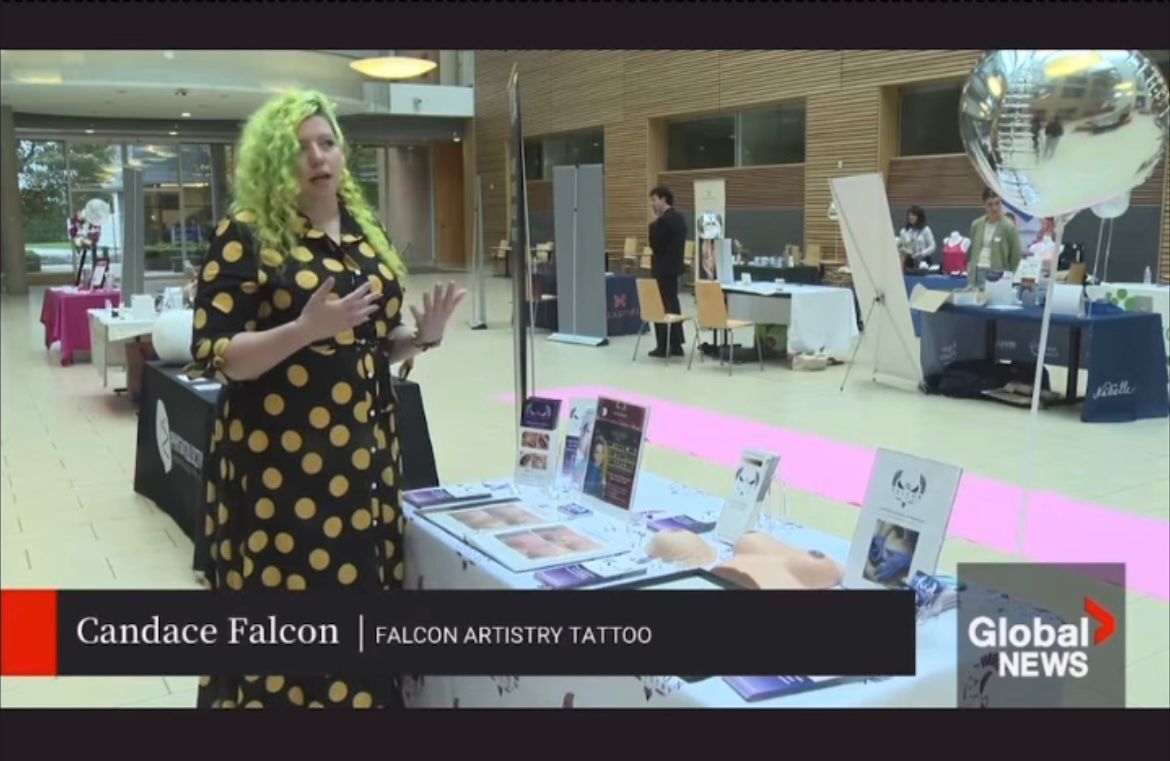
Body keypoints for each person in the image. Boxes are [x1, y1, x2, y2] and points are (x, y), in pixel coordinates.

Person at [187, 90, 465, 710]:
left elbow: (369, 344)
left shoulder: (365, 232)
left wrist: (421, 338)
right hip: (281, 465)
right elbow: (220, 355)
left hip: (366, 456)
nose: (317, 157)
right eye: (299, 149)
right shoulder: (245, 235)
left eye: (327, 143)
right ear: (273, 161)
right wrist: (304, 329)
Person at [647, 186, 687, 358]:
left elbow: (655, 244)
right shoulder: (680, 219)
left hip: (662, 269)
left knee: (661, 306)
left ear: (663, 199)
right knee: (672, 304)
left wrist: (653, 224)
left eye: (654, 200)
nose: (652, 204)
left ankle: (663, 346)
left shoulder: (662, 222)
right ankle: (676, 344)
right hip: (674, 269)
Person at [967, 188, 1022, 287]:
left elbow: (1016, 256)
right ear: (984, 205)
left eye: (997, 203)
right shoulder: (976, 225)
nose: (994, 208)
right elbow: (973, 252)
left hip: (997, 275)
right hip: (977, 272)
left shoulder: (1009, 227)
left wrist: (1009, 278)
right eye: (990, 204)